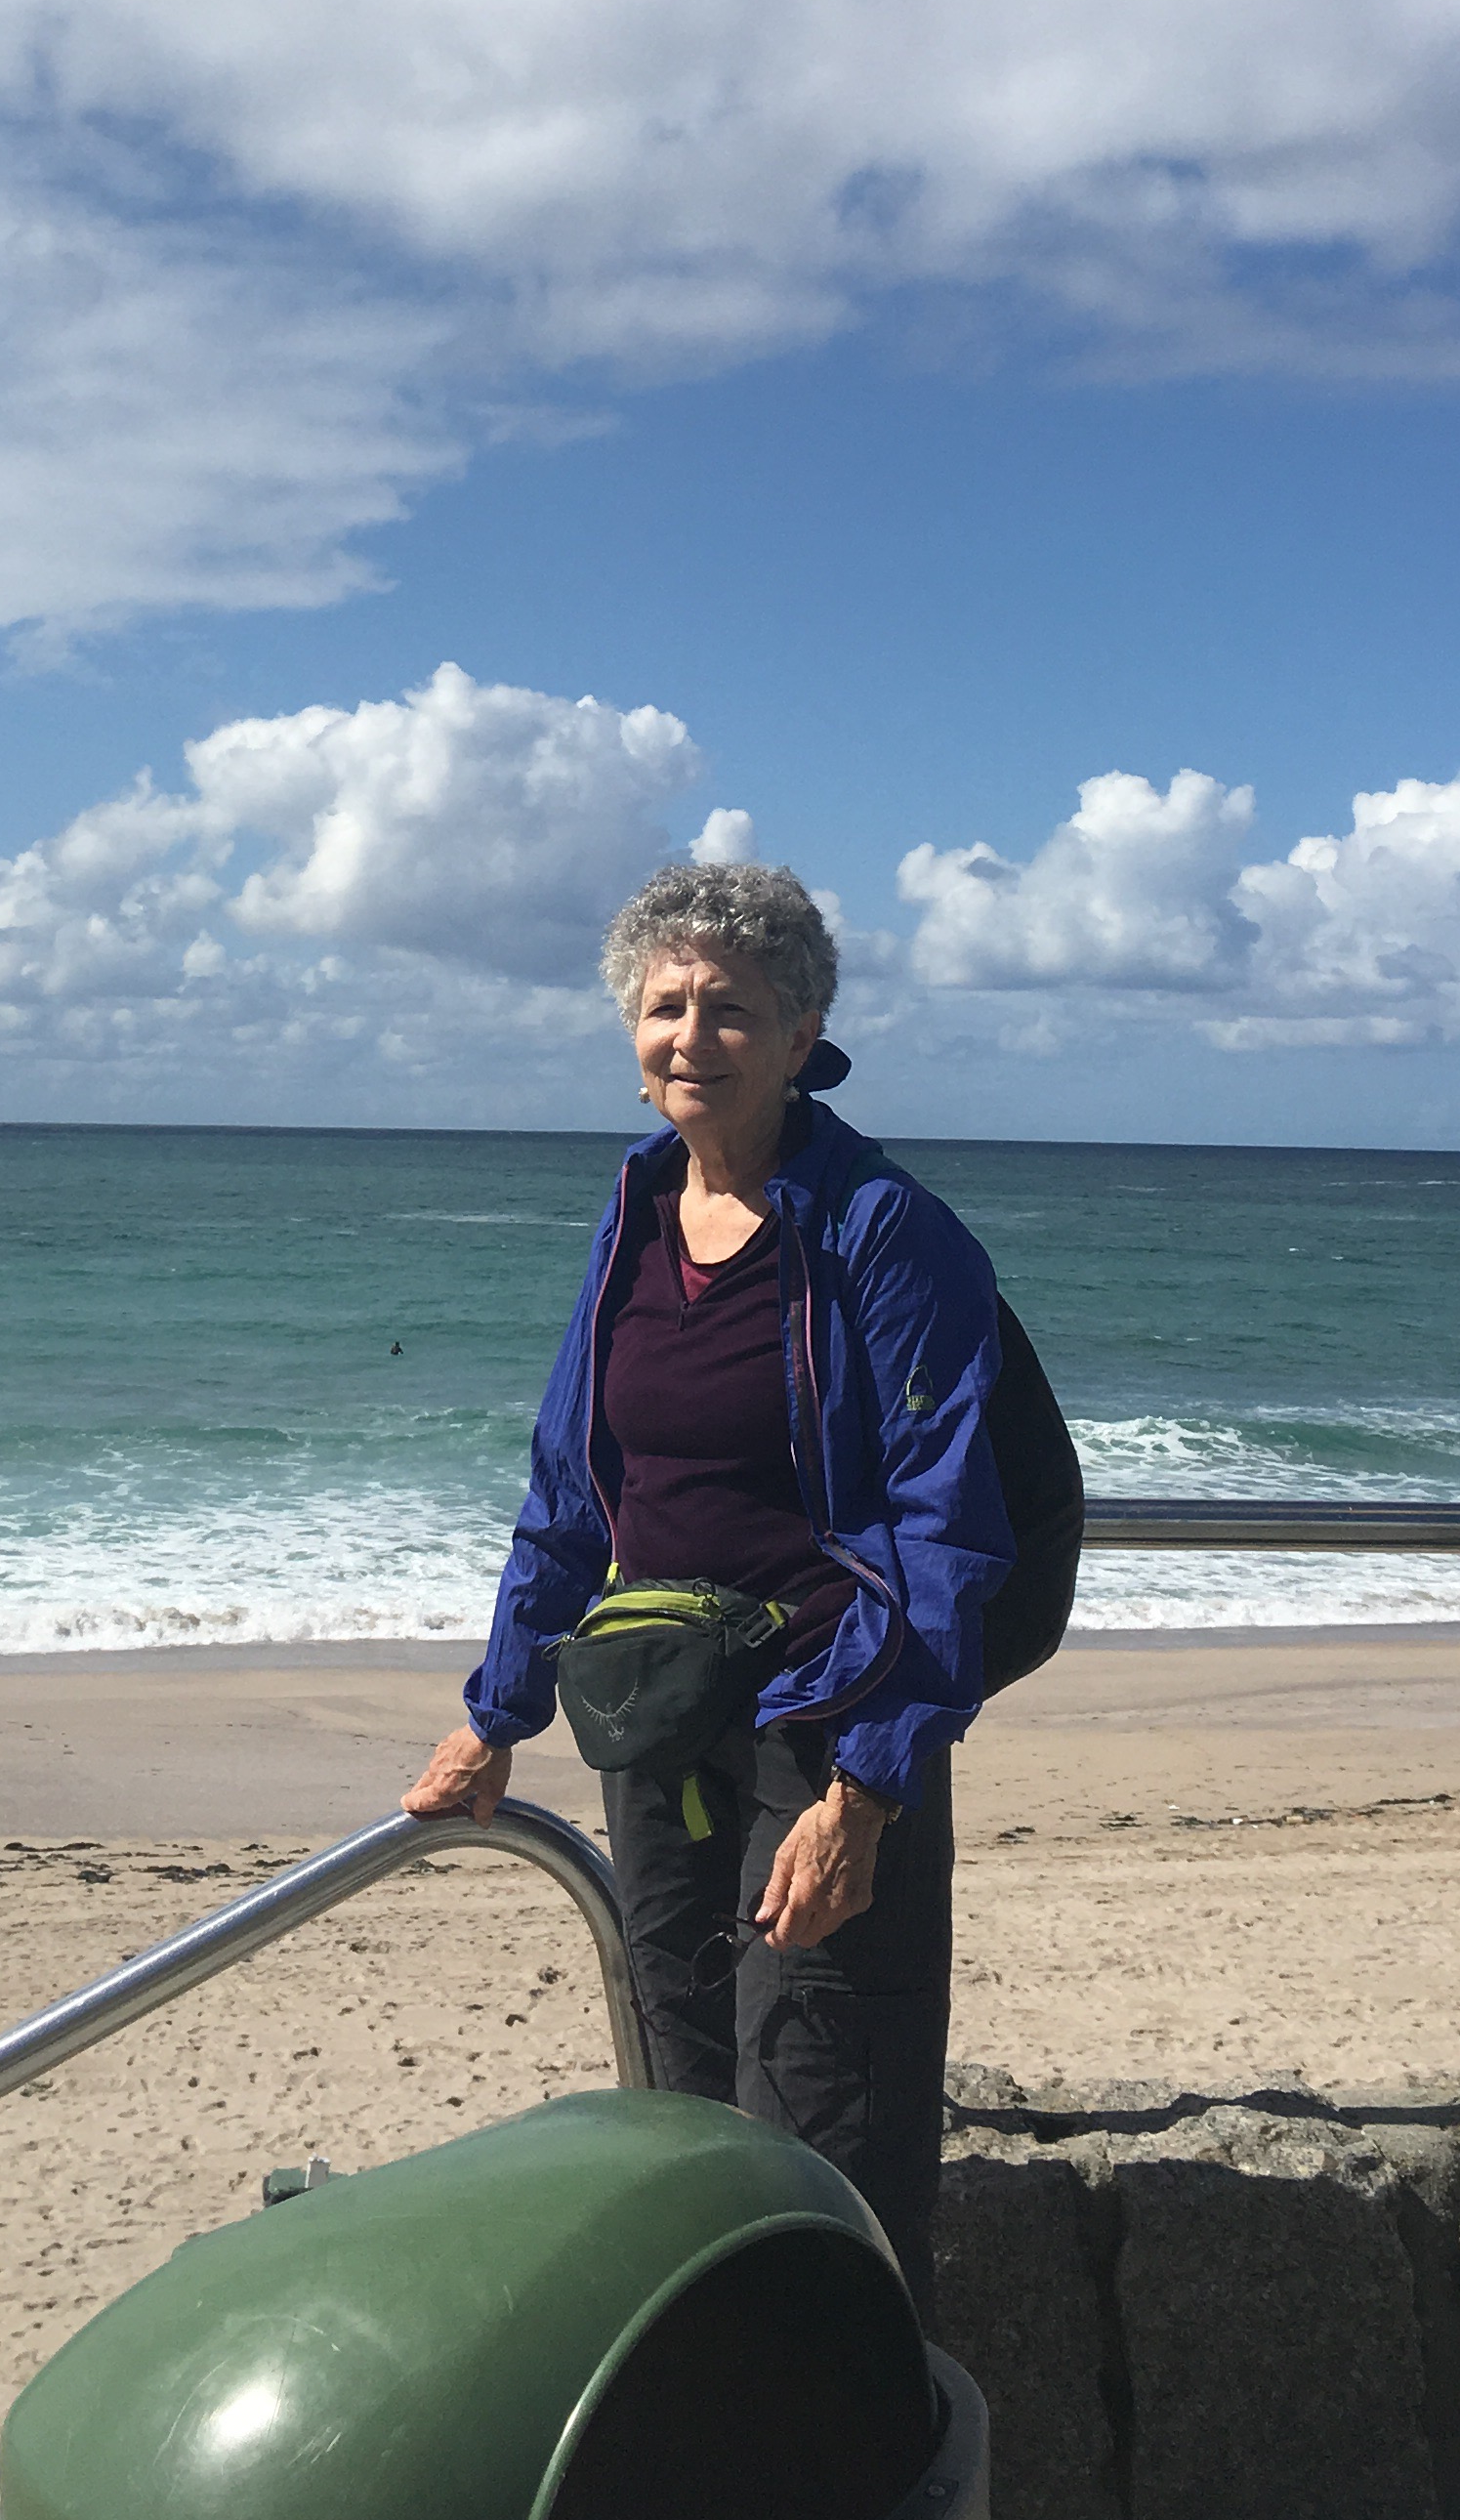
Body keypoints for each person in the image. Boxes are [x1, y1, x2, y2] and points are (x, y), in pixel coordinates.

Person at [403, 860, 1079, 2316]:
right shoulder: (638, 1210)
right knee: (680, 2086)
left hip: (828, 1722)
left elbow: (945, 1528)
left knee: (823, 2104)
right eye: (666, 1007)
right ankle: (709, 2396)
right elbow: (573, 1483)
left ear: (800, 1032)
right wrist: (496, 1712)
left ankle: (845, 2414)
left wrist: (868, 1794)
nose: (691, 1038)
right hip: (660, 1717)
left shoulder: (883, 1231)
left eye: (731, 1009)